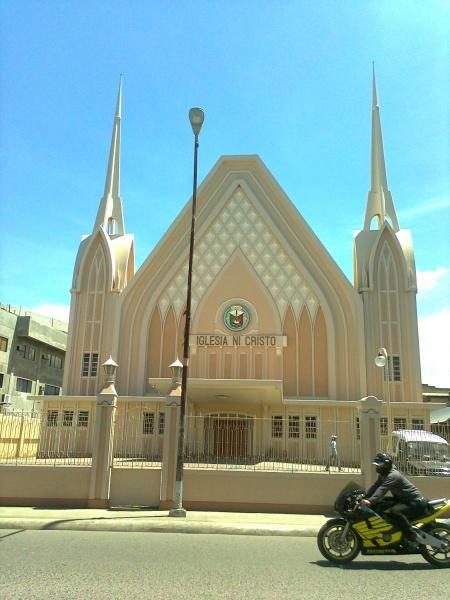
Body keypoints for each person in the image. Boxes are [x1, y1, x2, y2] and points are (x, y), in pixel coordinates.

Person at [361, 452, 426, 541]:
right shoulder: (383, 475)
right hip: (402, 499)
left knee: (394, 511)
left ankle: (411, 534)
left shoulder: (393, 475)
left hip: (413, 501)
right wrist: (365, 497)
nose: (377, 467)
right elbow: (375, 486)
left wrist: (370, 501)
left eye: (379, 465)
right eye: (376, 465)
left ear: (387, 465)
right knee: (381, 504)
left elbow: (383, 489)